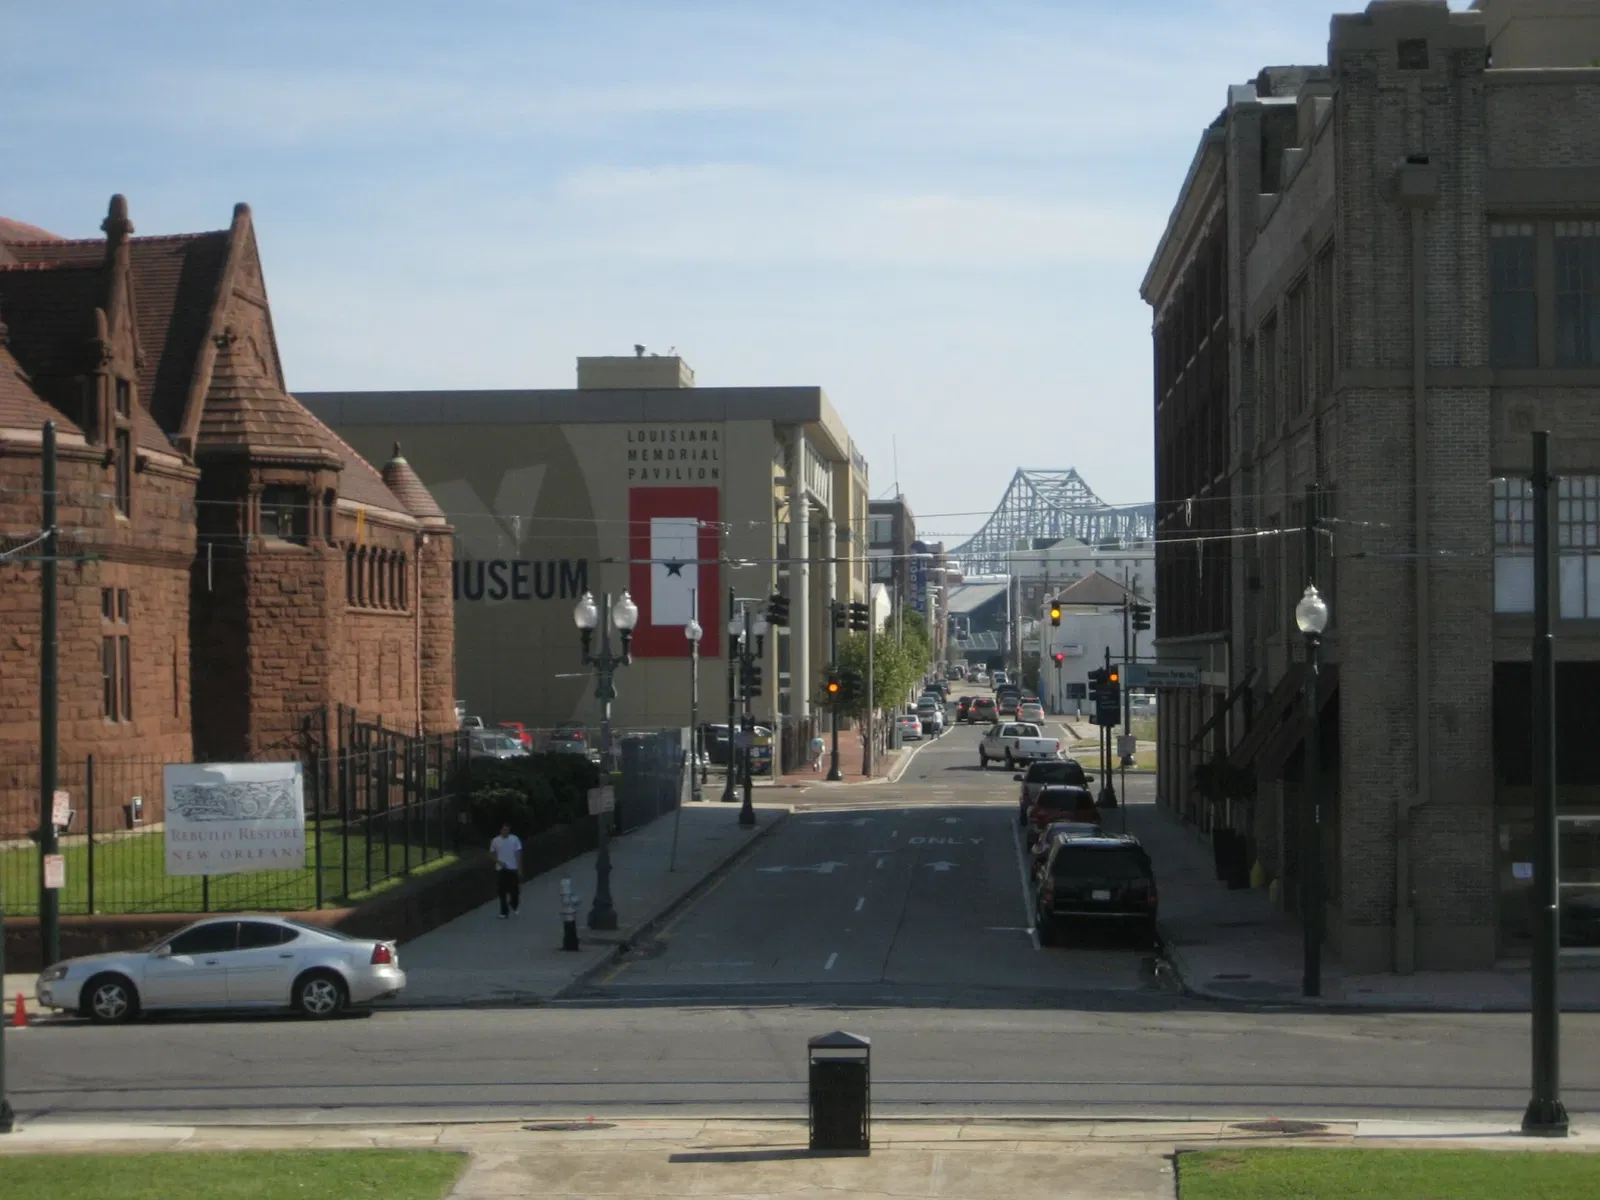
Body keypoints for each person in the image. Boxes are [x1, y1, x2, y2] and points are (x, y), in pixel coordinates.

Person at [490, 822, 523, 919]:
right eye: (504, 830)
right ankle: (504, 912)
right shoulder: (495, 840)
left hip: (512, 868)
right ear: (501, 830)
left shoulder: (514, 839)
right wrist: (498, 861)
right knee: (502, 891)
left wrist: (519, 867)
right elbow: (492, 853)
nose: (505, 832)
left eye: (507, 830)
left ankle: (514, 903)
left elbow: (518, 853)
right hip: (501, 868)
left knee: (515, 890)